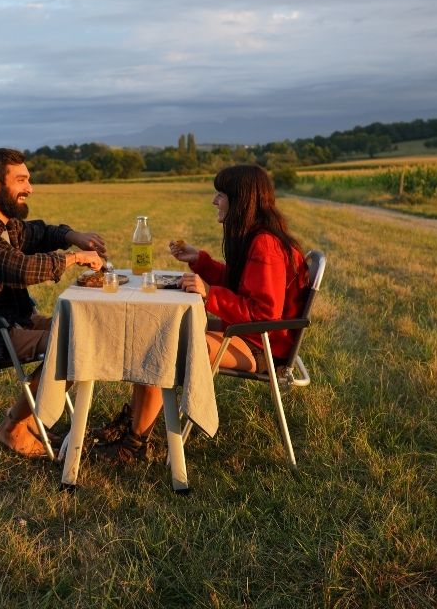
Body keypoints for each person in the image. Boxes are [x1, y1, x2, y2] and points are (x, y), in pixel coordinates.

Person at [91, 163, 309, 464]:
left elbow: (263, 314)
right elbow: (242, 282)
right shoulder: (259, 238)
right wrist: (201, 262)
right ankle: (133, 425)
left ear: (241, 199)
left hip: (264, 347)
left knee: (163, 346)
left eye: (220, 195)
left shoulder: (265, 245)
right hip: (252, 337)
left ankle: (135, 442)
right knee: (155, 337)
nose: (214, 201)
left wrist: (209, 292)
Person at [0, 147, 107, 458]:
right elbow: (21, 270)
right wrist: (75, 257)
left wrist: (73, 236)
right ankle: (13, 427)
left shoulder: (7, 225)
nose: (29, 188)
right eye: (21, 180)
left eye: (28, 180)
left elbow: (41, 232)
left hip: (14, 319)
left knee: (86, 331)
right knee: (75, 344)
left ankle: (34, 420)